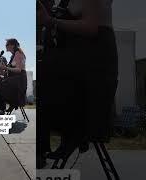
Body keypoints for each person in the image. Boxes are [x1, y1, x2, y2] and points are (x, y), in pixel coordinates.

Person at [38, 0, 118, 167]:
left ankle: (71, 135)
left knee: (45, 69)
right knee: (45, 69)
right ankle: (50, 143)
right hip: (79, 55)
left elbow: (91, 27)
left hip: (94, 58)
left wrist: (51, 21)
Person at [0, 39, 27, 112]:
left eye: (7, 45)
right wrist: (5, 68)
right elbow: (9, 69)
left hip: (19, 80)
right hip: (14, 78)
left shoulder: (18, 53)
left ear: (12, 45)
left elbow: (19, 70)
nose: (5, 46)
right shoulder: (13, 55)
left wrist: (5, 67)